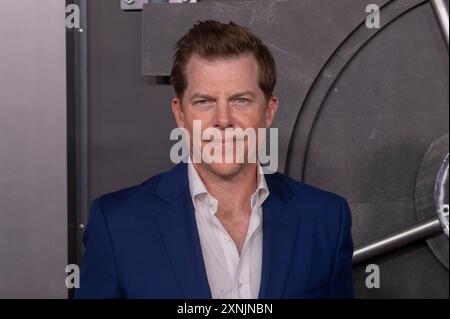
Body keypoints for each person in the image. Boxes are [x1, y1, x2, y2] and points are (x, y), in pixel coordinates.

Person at [75, 20, 354, 299]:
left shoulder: (326, 219)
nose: (223, 120)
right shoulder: (118, 225)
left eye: (241, 100)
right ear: (180, 114)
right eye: (204, 101)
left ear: (268, 112)